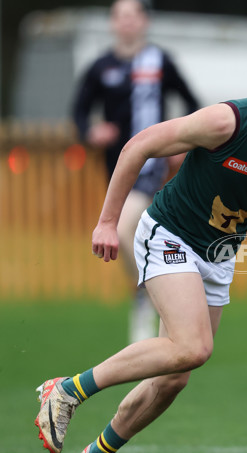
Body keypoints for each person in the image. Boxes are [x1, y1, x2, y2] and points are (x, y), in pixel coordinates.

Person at [36, 35, 247, 453]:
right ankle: (67, 389)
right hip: (168, 232)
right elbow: (139, 145)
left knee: (175, 375)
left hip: (218, 255)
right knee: (192, 347)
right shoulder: (226, 121)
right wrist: (108, 222)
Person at [72, 0, 200, 344]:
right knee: (140, 230)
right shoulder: (101, 67)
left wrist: (183, 143)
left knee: (127, 224)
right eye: (121, 16)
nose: (127, 23)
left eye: (133, 15)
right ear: (113, 23)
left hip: (151, 163)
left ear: (144, 21)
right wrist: (90, 132)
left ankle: (147, 294)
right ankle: (148, 291)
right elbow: (80, 111)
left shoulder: (159, 61)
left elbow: (191, 103)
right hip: (116, 167)